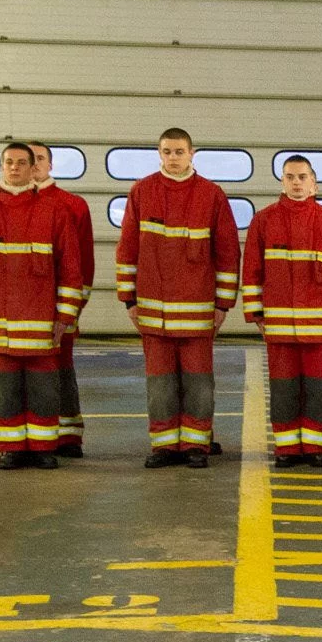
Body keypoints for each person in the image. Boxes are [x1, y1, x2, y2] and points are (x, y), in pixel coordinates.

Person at [115, 127, 240, 470]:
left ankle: (196, 444)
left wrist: (222, 304)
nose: (173, 158)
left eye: (179, 152)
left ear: (192, 153)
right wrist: (129, 298)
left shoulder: (211, 195)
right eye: (167, 152)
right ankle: (165, 445)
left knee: (199, 381)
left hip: (198, 311)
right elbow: (127, 247)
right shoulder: (142, 191)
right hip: (153, 312)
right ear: (159, 154)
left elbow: (227, 251)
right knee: (160, 383)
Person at [0, 142, 83, 470]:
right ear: (3, 166)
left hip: (42, 323)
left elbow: (70, 269)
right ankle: (10, 449)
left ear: (33, 169)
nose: (14, 168)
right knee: (7, 389)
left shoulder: (54, 212)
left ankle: (43, 448)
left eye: (21, 163)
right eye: (9, 162)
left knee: (44, 388)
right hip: (0, 324)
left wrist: (65, 315)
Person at [242, 154, 322, 468]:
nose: (296, 183)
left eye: (302, 177)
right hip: (279, 327)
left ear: (314, 183)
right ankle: (287, 449)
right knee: (284, 388)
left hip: (320, 327)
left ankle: (316, 447)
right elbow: (252, 271)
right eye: (290, 176)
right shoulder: (264, 220)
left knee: (319, 389)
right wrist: (256, 315)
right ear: (282, 181)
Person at [27, 142, 93, 458]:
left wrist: (74, 307)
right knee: (22, 375)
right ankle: (30, 436)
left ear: (50, 165)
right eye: (29, 159)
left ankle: (67, 435)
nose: (34, 164)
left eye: (40, 158)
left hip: (59, 307)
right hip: (19, 310)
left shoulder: (72, 205)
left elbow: (85, 262)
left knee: (62, 369)